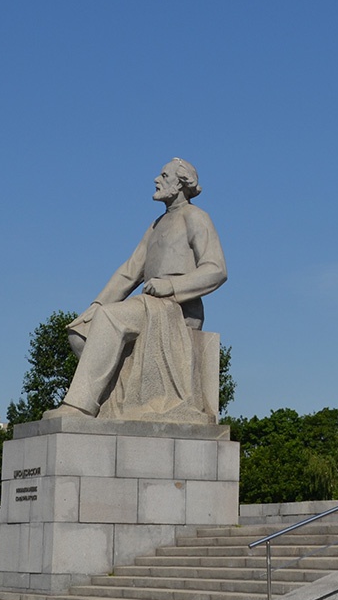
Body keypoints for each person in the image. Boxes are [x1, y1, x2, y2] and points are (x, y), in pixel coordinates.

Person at [45, 158, 227, 419]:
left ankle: (79, 406)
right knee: (81, 331)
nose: (157, 179)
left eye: (164, 176)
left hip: (176, 309)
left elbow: (216, 270)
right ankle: (107, 405)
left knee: (110, 318)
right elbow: (129, 271)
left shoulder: (196, 217)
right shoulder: (156, 224)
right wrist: (96, 306)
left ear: (180, 183)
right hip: (148, 306)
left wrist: (171, 286)